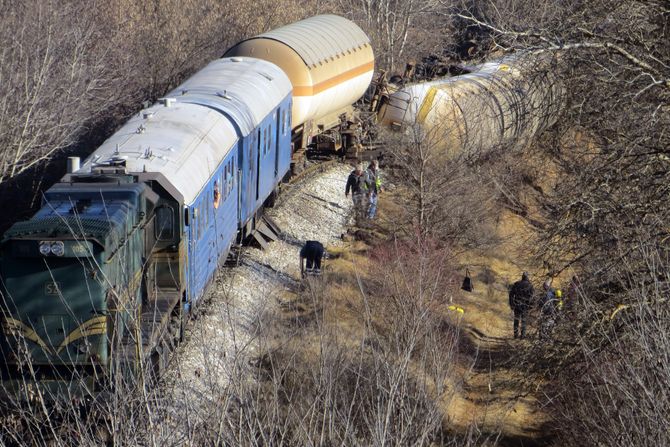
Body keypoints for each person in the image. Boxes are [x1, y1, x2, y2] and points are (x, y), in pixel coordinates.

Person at [508, 272, 534, 339]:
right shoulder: (530, 285)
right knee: (524, 321)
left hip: (517, 305)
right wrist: (531, 306)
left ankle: (516, 335)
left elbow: (511, 295)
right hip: (525, 306)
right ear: (527, 277)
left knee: (516, 320)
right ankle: (523, 336)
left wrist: (512, 304)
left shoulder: (517, 284)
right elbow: (532, 297)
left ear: (522, 277)